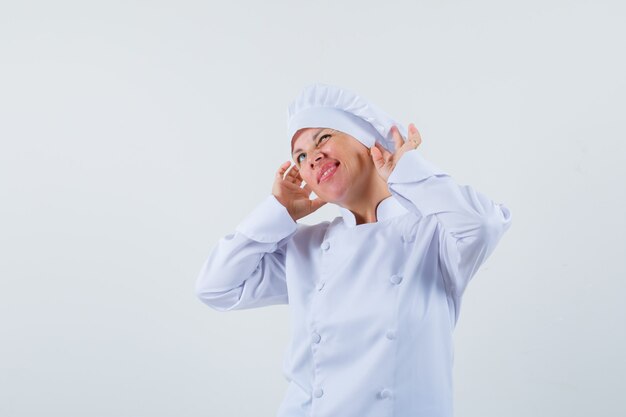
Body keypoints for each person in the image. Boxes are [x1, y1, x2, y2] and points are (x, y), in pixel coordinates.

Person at [195, 83, 513, 417]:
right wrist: (278, 211)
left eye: (323, 138)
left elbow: (485, 224)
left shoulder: (433, 234)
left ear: (369, 142)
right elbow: (215, 287)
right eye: (300, 156)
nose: (312, 157)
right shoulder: (307, 247)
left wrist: (409, 174)